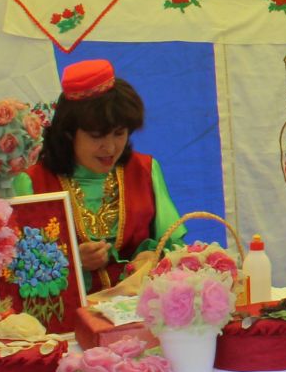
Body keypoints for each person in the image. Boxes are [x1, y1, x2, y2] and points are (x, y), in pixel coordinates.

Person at [13, 59, 182, 291]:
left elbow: (175, 245)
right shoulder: (33, 182)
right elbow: (20, 271)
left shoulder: (144, 170)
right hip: (71, 320)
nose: (110, 148)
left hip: (141, 311)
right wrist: (72, 261)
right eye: (96, 136)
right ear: (69, 134)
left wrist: (152, 259)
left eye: (119, 134)